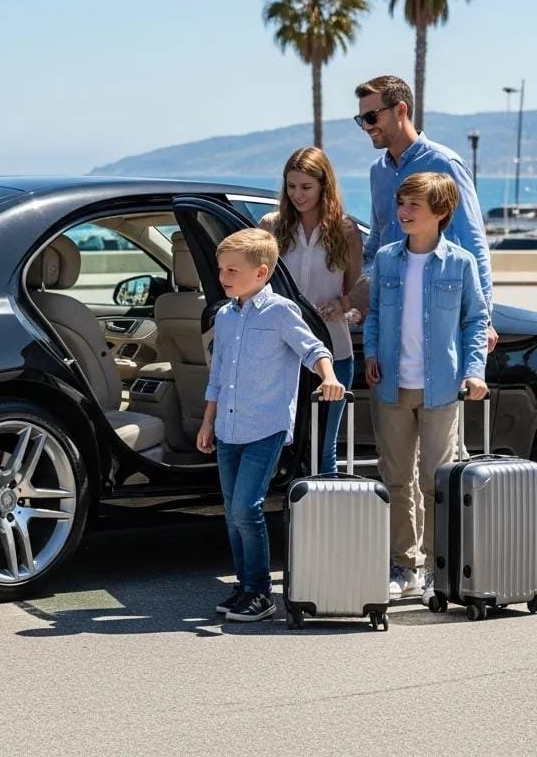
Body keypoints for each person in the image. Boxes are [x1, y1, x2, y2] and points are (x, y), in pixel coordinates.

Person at [196, 228, 343, 622]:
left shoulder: (281, 312)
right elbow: (218, 375)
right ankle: (245, 586)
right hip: (228, 427)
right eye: (221, 269)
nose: (223, 277)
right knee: (232, 512)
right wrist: (208, 422)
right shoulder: (225, 316)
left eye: (232, 270)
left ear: (261, 273)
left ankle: (261, 593)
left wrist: (329, 376)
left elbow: (314, 349)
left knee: (247, 507)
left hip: (266, 426)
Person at [363, 172, 488, 604]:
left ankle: (438, 567)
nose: (403, 211)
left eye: (413, 205)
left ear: (440, 212)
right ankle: (405, 566)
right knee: (397, 480)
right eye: (401, 203)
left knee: (438, 482)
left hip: (442, 389)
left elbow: (476, 321)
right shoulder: (385, 259)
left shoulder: (461, 263)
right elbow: (374, 314)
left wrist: (474, 371)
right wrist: (371, 353)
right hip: (391, 388)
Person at [354, 74, 496, 352]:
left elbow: (474, 244)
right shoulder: (378, 172)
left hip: (441, 317)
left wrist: (484, 319)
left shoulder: (445, 164)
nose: (366, 127)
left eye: (371, 117)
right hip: (392, 317)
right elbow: (376, 243)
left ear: (401, 110)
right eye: (361, 120)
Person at [261, 147, 363, 474]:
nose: (298, 195)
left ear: (323, 185)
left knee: (322, 447)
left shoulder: (346, 231)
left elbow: (355, 291)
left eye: (306, 187)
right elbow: (257, 284)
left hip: (333, 352)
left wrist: (340, 305)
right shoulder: (271, 226)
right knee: (279, 445)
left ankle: (325, 505)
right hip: (281, 354)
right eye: (291, 186)